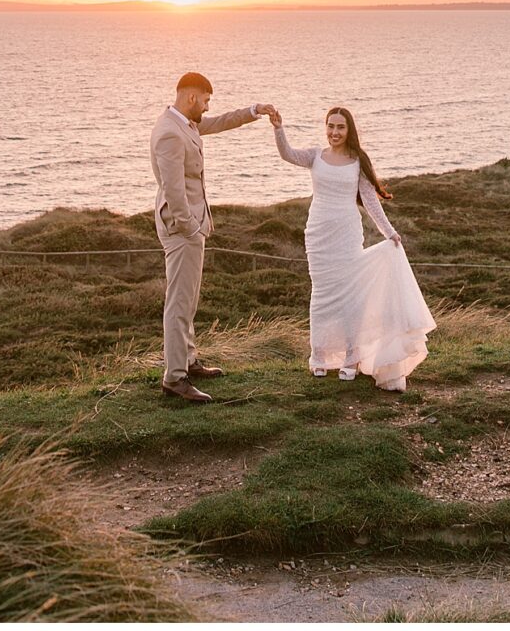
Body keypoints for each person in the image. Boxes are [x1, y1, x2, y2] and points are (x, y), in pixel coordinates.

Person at [265, 102, 435, 390]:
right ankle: (319, 355)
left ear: (349, 130)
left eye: (340, 127)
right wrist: (279, 128)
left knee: (349, 298)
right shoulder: (315, 156)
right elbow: (287, 154)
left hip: (346, 233)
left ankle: (351, 356)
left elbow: (370, 201)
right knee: (321, 294)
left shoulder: (358, 161)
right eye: (330, 126)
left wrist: (389, 232)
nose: (334, 132)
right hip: (318, 234)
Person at [149, 70, 272, 402]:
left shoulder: (184, 123)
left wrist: (254, 111)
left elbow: (218, 123)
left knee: (189, 298)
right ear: (191, 97)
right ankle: (175, 378)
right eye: (204, 101)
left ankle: (188, 360)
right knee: (179, 302)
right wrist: (191, 227)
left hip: (192, 224)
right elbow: (174, 191)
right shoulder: (170, 133)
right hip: (182, 228)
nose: (206, 108)